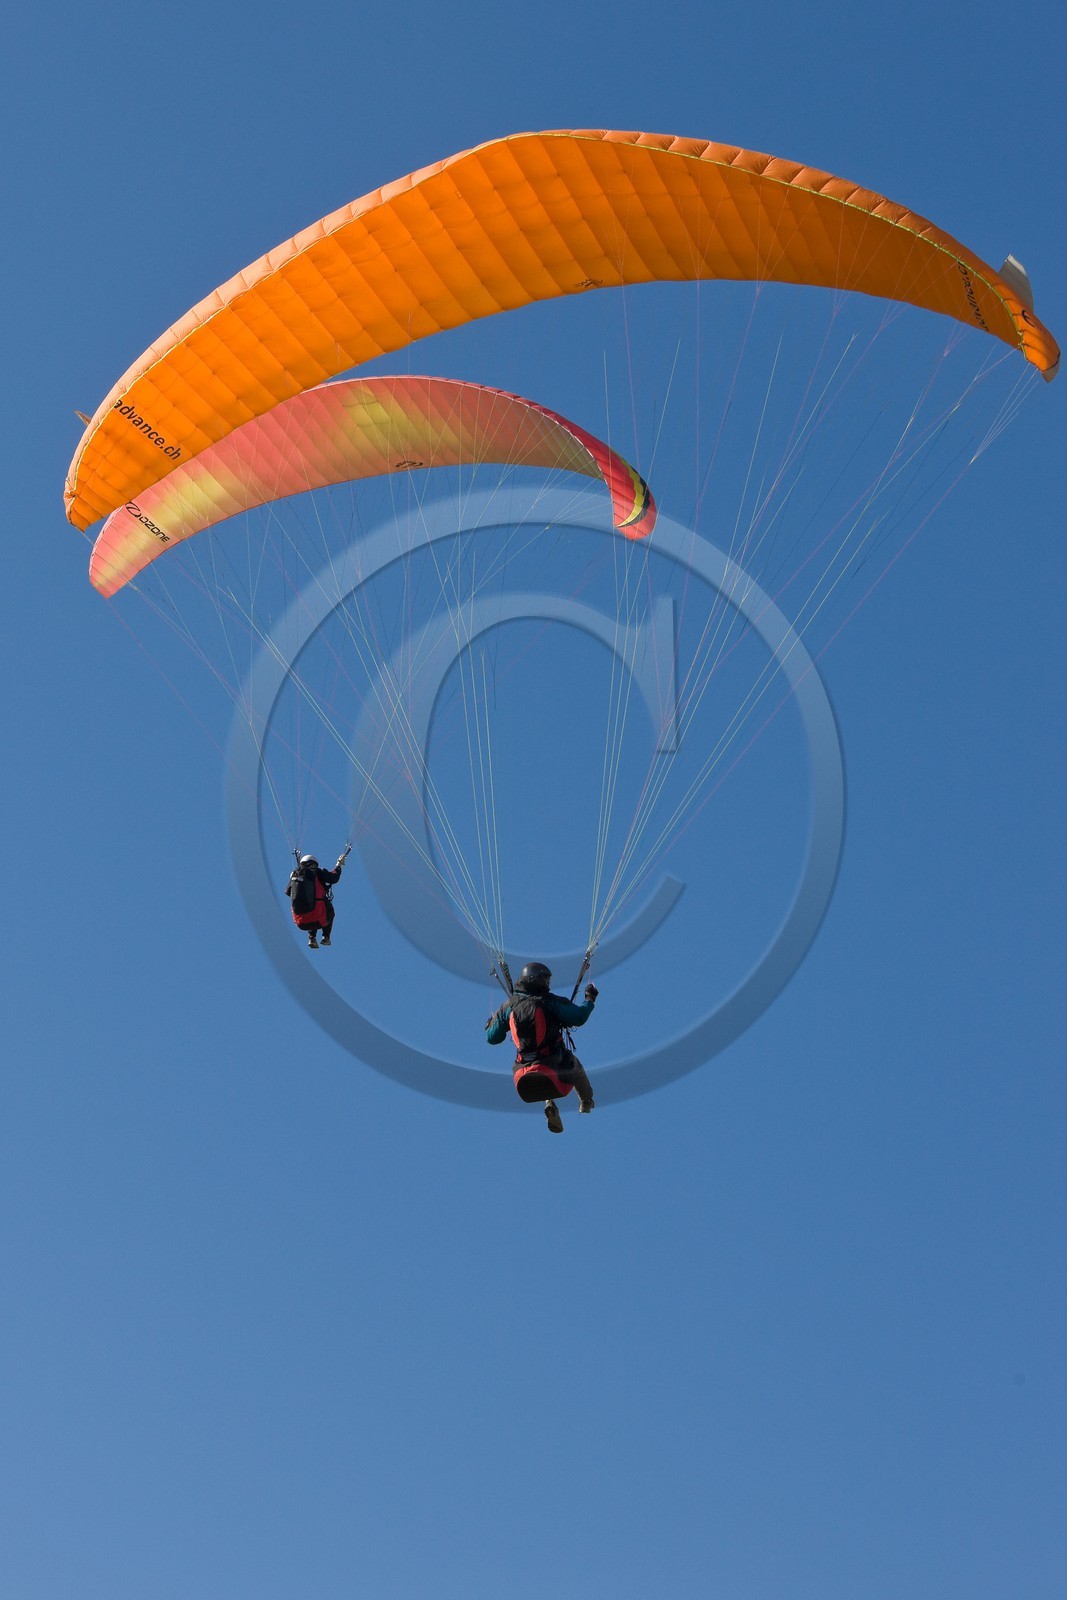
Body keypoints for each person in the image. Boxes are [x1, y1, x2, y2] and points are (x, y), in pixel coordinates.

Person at [485, 962, 599, 1133]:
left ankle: (550, 1103)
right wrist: (589, 999)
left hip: (522, 1071)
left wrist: (490, 1025)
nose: (548, 983)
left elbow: (492, 1038)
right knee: (573, 1065)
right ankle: (586, 1102)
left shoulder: (510, 1006)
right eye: (546, 979)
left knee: (544, 1068)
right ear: (538, 980)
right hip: (553, 1064)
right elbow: (579, 1017)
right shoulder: (550, 1001)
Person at [285, 853, 345, 948]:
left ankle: (312, 938)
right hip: (318, 918)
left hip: (300, 922)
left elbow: (288, 892)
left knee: (311, 905)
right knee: (328, 911)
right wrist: (339, 865)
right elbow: (333, 878)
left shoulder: (295, 874)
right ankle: (326, 937)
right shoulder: (317, 872)